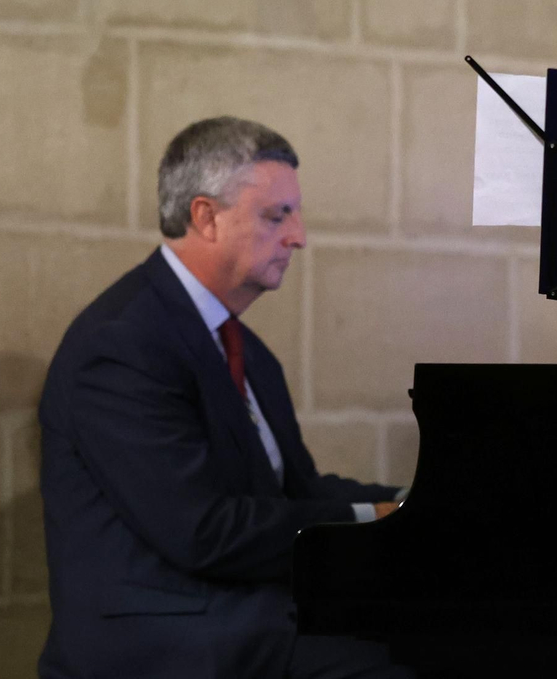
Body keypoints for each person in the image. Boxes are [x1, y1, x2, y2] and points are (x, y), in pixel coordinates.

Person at [37, 117, 412, 678]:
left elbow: (297, 492)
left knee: (429, 637)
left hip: (231, 610)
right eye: (275, 215)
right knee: (382, 662)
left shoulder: (245, 347)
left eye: (296, 213)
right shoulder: (121, 345)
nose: (299, 236)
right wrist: (372, 519)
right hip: (159, 636)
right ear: (206, 218)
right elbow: (202, 531)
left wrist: (413, 503)